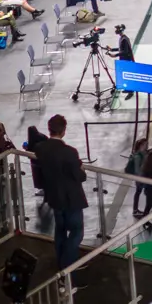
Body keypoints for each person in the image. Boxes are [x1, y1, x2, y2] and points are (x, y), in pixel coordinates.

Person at [30, 114, 87, 269]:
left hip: (54, 197)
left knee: (60, 230)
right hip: (71, 199)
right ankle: (67, 265)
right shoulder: (70, 152)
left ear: (49, 130)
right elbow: (80, 176)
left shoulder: (40, 148)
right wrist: (81, 168)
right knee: (77, 232)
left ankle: (63, 260)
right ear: (63, 131)